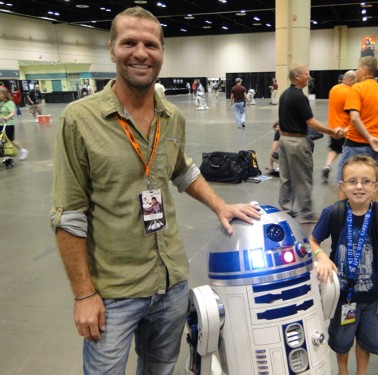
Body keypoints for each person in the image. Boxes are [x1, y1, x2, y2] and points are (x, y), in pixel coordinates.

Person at [49, 7, 260, 374]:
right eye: (129, 42)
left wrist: (219, 205)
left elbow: (181, 169)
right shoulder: (79, 120)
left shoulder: (171, 116)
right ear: (111, 48)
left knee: (161, 369)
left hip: (171, 283)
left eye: (151, 44)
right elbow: (69, 215)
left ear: (162, 52)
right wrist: (84, 294)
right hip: (114, 291)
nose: (141, 53)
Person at [309, 155, 378, 375]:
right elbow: (312, 240)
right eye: (352, 181)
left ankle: (362, 372)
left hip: (373, 298)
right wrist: (321, 255)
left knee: (368, 340)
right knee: (342, 340)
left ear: (376, 185)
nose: (359, 186)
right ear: (342, 185)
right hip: (343, 297)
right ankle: (343, 370)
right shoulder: (334, 213)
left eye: (366, 181)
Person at [278, 63, 340, 223]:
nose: (309, 77)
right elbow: (311, 122)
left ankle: (285, 210)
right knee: (303, 177)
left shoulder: (284, 94)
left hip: (283, 140)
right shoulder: (300, 97)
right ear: (297, 76)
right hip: (296, 142)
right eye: (306, 74)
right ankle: (307, 213)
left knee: (286, 178)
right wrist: (331, 132)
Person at [336, 56, 378, 202]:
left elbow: (355, 117)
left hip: (357, 144)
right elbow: (372, 117)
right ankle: (370, 218)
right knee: (372, 184)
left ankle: (342, 217)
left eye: (358, 68)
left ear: (365, 70)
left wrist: (368, 137)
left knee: (345, 182)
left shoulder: (357, 88)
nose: (356, 71)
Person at [321, 70, 357, 183]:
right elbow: (353, 112)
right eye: (355, 80)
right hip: (346, 129)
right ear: (350, 80)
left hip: (333, 127)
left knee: (334, 149)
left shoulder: (334, 89)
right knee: (349, 154)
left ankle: (328, 165)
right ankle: (346, 177)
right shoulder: (352, 92)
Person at [0, 87, 29, 161]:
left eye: (0, 93)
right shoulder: (0, 103)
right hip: (0, 123)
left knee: (10, 140)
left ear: (4, 94)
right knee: (1, 140)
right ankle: (6, 155)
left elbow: (12, 112)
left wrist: (7, 117)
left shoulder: (10, 103)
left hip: (8, 123)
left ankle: (22, 150)